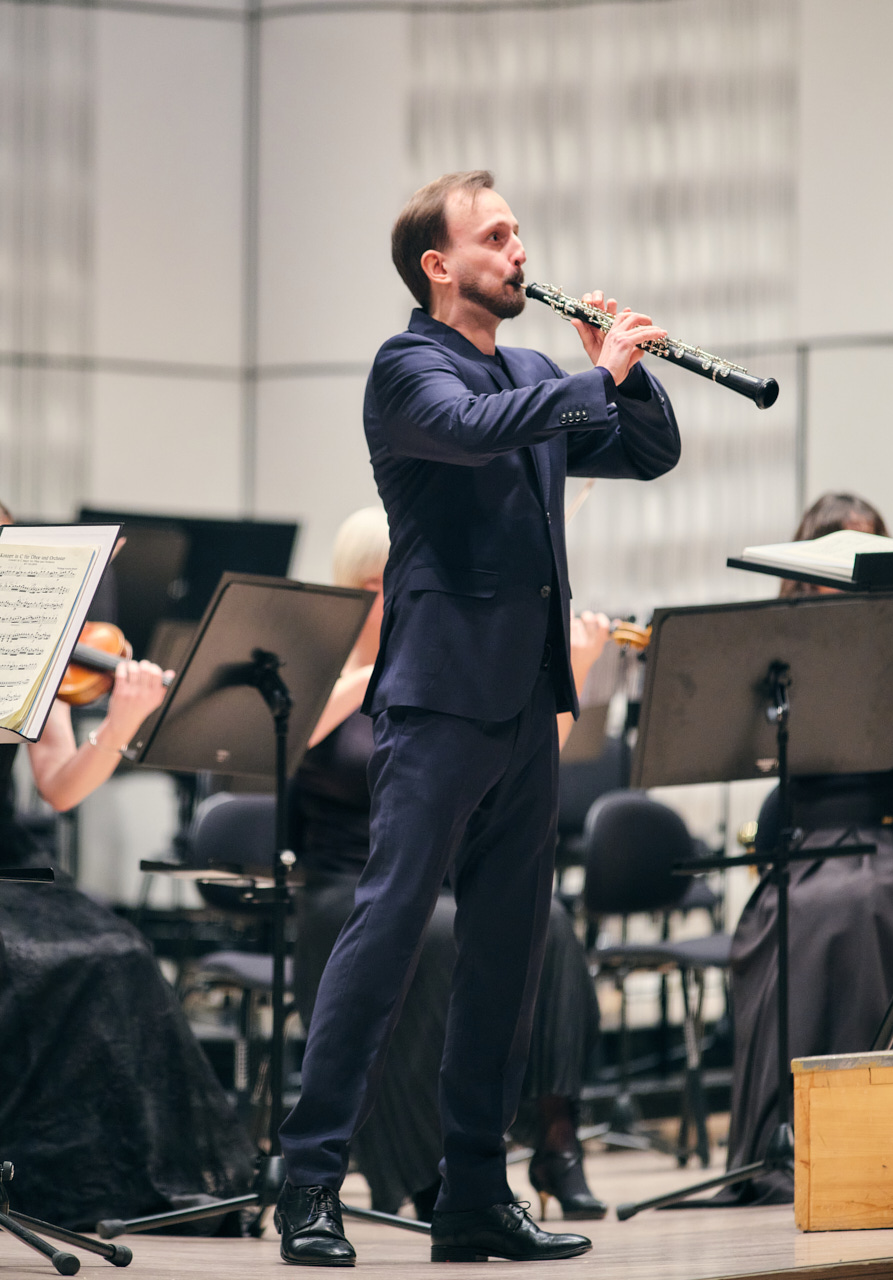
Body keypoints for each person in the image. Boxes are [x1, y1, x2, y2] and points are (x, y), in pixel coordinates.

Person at [275, 169, 680, 1266]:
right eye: (495, 236)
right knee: (388, 934)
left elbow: (648, 453)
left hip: (526, 700)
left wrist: (628, 375)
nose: (518, 250)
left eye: (517, 233)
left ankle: (472, 1195)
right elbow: (471, 430)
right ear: (438, 265)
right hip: (438, 698)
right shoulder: (408, 368)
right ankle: (308, 1183)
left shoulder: (541, 373)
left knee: (507, 955)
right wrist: (594, 374)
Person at [292, 506, 608, 1225]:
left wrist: (576, 668)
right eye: (388, 581)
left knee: (549, 923)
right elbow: (278, 743)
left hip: (437, 884)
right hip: (345, 891)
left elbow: (522, 775)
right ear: (363, 587)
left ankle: (557, 1140)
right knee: (432, 936)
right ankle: (423, 1168)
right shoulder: (323, 668)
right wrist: (387, 667)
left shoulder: (444, 669)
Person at [0, 504, 257, 1229]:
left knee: (119, 952)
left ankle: (97, 1187)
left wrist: (121, 724)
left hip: (11, 866)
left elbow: (59, 786)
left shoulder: (27, 644)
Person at [725, 492, 893, 1203]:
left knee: (877, 903)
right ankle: (798, 1141)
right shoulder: (781, 654)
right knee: (823, 908)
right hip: (812, 843)